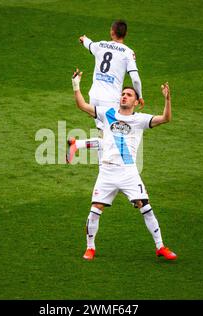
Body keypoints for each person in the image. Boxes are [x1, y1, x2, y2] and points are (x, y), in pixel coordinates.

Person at [71, 68, 177, 261]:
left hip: (129, 173)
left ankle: (160, 246)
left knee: (145, 206)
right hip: (107, 171)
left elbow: (166, 119)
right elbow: (82, 105)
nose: (124, 96)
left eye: (129, 95)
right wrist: (76, 85)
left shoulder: (139, 120)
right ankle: (90, 248)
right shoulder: (107, 113)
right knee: (95, 209)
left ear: (137, 102)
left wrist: (167, 100)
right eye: (123, 94)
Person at [67, 20, 144, 163]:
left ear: (112, 32)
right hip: (111, 99)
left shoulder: (100, 45)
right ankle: (87, 154)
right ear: (125, 34)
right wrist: (139, 96)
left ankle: (78, 145)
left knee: (107, 134)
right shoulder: (128, 52)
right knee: (111, 136)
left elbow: (88, 43)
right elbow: (135, 79)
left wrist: (83, 39)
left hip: (94, 96)